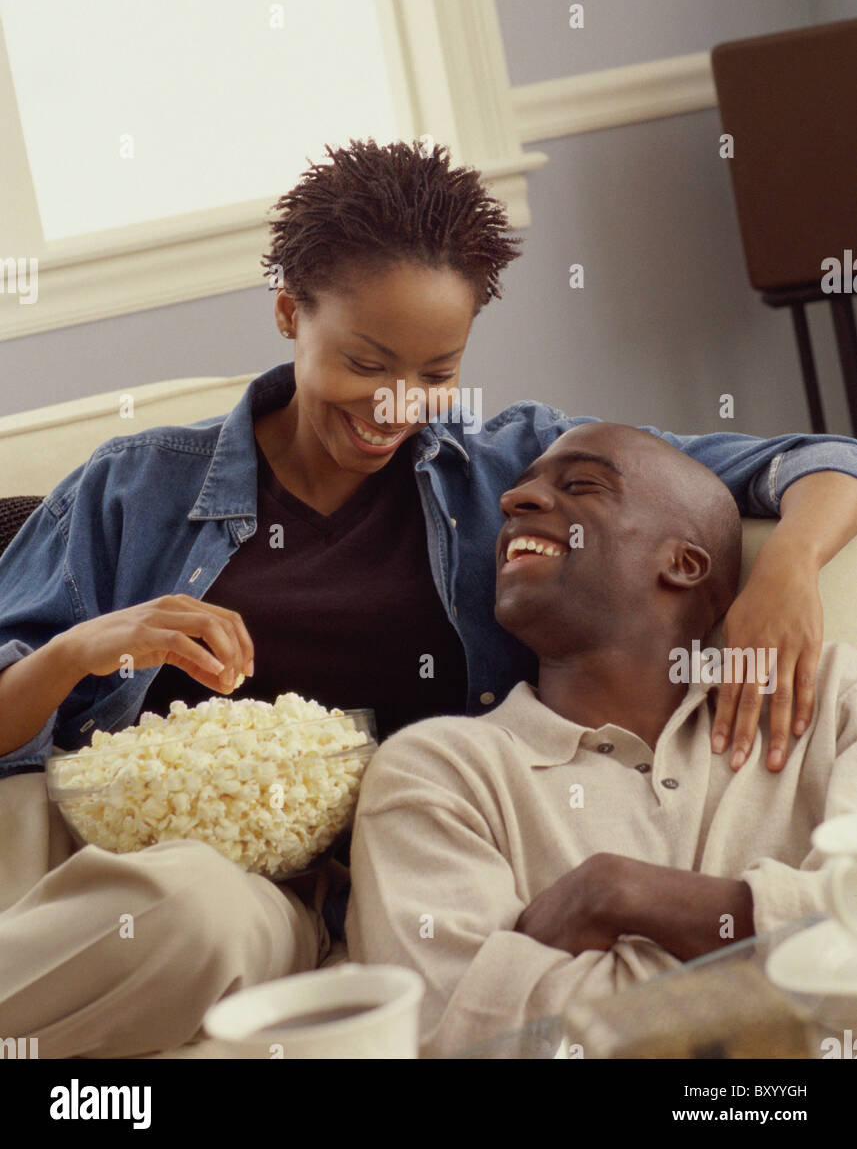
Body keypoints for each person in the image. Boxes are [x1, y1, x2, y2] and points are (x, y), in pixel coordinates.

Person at [0, 138, 856, 1058]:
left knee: (217, 929)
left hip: (385, 877)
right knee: (181, 906)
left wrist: (787, 569)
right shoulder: (136, 490)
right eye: (366, 364)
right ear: (291, 313)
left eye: (437, 374)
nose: (397, 407)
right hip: (172, 869)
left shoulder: (511, 470)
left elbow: (805, 463)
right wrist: (81, 649)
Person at [344, 422, 857, 1057]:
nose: (513, 501)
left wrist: (620, 893)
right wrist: (800, 961)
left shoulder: (835, 696)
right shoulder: (438, 770)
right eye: (518, 489)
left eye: (582, 486)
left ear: (684, 562)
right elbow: (462, 1036)